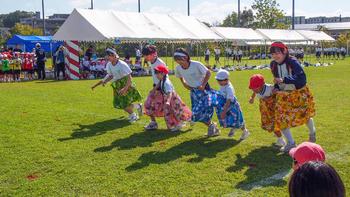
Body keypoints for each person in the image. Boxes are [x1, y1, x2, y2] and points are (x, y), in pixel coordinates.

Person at [269, 41, 316, 153]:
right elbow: (277, 78)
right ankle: (291, 143)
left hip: (299, 93)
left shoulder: (292, 61)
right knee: (280, 118)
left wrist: (284, 80)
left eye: (277, 53)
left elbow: (302, 79)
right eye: (273, 54)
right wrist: (276, 86)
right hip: (284, 95)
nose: (275, 56)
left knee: (305, 116)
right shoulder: (273, 64)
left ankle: (312, 132)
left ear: (284, 51)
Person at [174, 48, 219, 137]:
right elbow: (180, 76)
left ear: (186, 57)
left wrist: (202, 85)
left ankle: (212, 127)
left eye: (180, 59)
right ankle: (212, 126)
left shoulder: (196, 64)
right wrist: (184, 84)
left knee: (202, 112)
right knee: (197, 113)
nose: (179, 62)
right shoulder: (178, 68)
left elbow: (208, 73)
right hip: (193, 91)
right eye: (177, 60)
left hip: (204, 90)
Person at [91, 48, 143, 123]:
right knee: (120, 103)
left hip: (126, 84)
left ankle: (133, 115)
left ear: (114, 56)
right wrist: (105, 81)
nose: (107, 57)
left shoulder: (122, 64)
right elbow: (111, 75)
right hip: (117, 85)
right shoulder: (109, 64)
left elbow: (129, 78)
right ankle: (138, 106)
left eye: (109, 56)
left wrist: (125, 88)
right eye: (107, 56)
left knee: (124, 103)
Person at [248, 74, 286, 147]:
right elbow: (254, 93)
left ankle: (281, 140)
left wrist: (271, 96)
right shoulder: (256, 90)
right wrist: (252, 98)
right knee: (269, 124)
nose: (254, 90)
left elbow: (278, 96)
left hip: (273, 110)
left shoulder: (270, 88)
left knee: (274, 125)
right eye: (252, 88)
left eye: (255, 88)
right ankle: (279, 137)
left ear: (262, 85)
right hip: (265, 110)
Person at [151, 64, 192, 131]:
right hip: (168, 99)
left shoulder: (166, 82)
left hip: (172, 99)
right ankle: (176, 124)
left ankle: (186, 121)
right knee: (172, 112)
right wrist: (154, 89)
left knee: (178, 111)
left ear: (163, 73)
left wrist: (168, 101)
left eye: (158, 73)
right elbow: (159, 84)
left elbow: (170, 93)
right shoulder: (162, 80)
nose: (156, 75)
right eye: (156, 73)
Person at [214, 69, 250, 139]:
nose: (218, 82)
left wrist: (224, 111)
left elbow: (229, 100)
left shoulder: (229, 88)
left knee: (238, 119)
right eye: (218, 80)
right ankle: (234, 128)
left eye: (219, 80)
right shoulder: (223, 85)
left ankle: (245, 131)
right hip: (226, 105)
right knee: (231, 119)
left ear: (226, 80)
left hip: (232, 106)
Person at [142, 45, 167, 130]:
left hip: (163, 88)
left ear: (153, 54)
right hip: (156, 87)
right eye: (144, 55)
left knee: (168, 108)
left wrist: (155, 88)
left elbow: (164, 78)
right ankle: (153, 123)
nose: (145, 57)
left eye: (146, 55)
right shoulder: (151, 62)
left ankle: (177, 122)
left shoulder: (159, 63)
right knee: (148, 104)